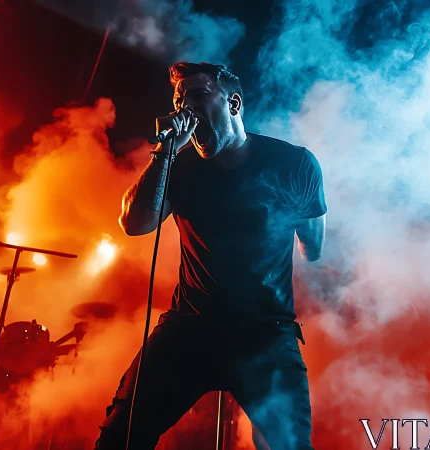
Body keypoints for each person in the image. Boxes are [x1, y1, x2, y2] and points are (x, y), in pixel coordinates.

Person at [95, 62, 327, 450]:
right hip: (191, 327)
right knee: (120, 436)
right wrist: (163, 152)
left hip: (265, 332)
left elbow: (313, 248)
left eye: (199, 96)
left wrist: (295, 226)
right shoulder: (176, 166)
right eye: (179, 100)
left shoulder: (292, 164)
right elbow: (134, 225)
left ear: (233, 103)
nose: (185, 109)